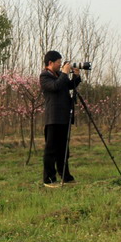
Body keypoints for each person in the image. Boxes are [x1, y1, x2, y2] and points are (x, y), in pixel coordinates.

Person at [39, 50, 81, 187]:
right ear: (50, 63)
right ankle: (49, 179)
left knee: (64, 149)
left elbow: (68, 86)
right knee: (51, 149)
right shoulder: (45, 76)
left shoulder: (58, 75)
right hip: (53, 118)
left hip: (64, 117)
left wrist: (75, 77)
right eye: (58, 62)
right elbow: (56, 87)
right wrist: (64, 73)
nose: (60, 65)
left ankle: (66, 176)